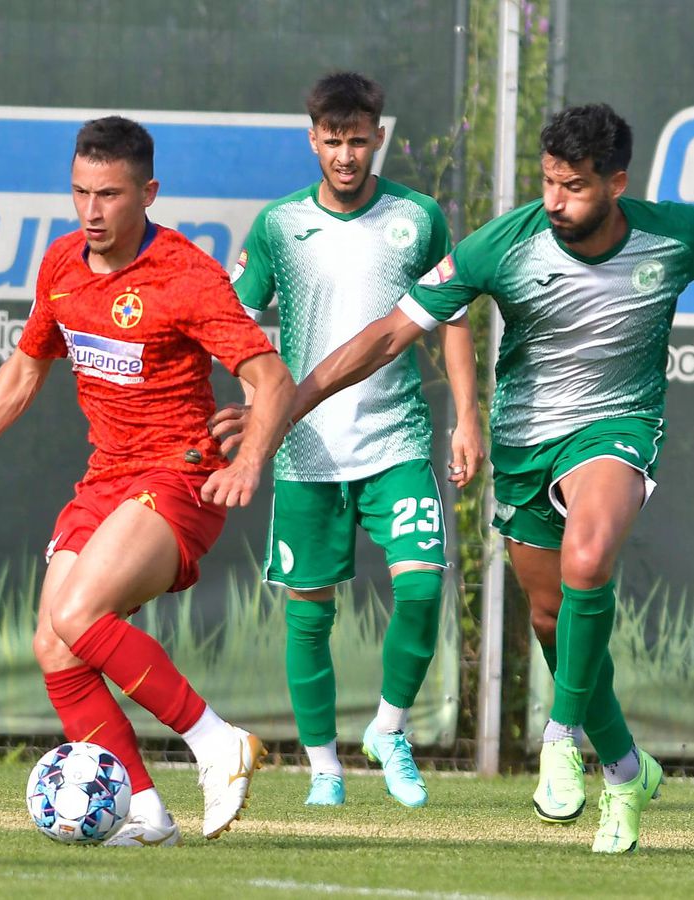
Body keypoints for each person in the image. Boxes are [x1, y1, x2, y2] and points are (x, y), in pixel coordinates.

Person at [284, 103, 694, 851]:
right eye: (549, 183)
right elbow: (389, 333)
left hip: (618, 429)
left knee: (589, 561)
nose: (556, 202)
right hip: (526, 446)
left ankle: (560, 740)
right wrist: (290, 405)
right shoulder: (506, 244)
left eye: (576, 187)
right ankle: (626, 771)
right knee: (554, 620)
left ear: (617, 182)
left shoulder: (672, 234)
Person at [0, 116, 294, 846]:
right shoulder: (61, 265)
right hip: (106, 479)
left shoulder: (185, 274)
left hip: (180, 477)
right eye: (81, 192)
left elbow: (269, 377)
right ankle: (146, 814)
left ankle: (219, 742)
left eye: (110, 195)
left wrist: (250, 461)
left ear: (147, 192)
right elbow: (26, 368)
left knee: (82, 613)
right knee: (55, 644)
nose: (92, 211)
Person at [212, 72, 484, 809]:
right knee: (310, 611)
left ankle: (389, 729)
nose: (345, 154)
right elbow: (234, 324)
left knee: (423, 587)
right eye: (332, 141)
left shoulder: (418, 218)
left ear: (378, 137)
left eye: (358, 140)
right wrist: (256, 403)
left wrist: (467, 416)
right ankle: (324, 769)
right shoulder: (277, 226)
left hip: (396, 444)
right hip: (305, 451)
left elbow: (451, 316)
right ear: (313, 139)